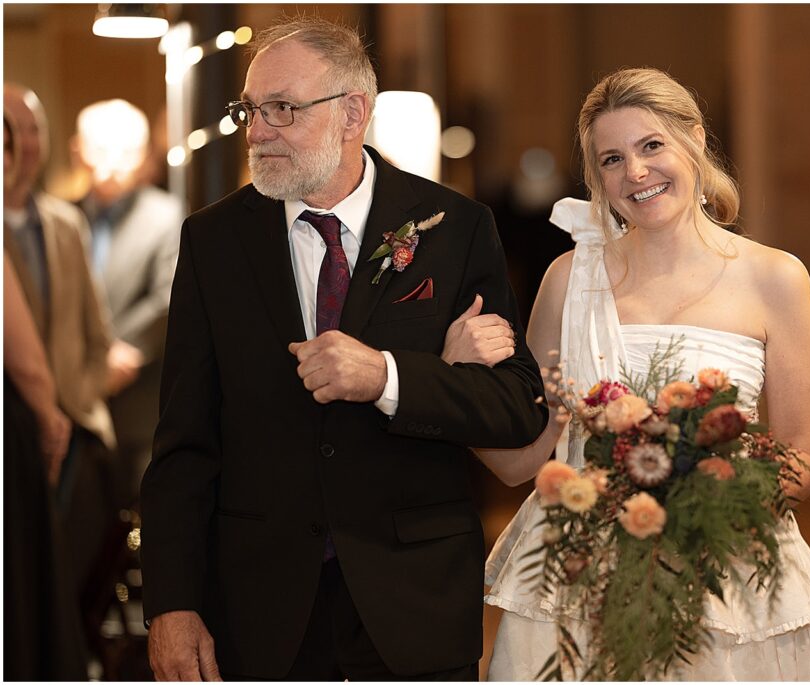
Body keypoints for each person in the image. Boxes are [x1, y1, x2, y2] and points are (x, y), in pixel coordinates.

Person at [140, 16, 547, 681]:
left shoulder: (453, 228)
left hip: (412, 600)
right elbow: (183, 444)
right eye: (250, 109)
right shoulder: (215, 241)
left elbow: (515, 411)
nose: (258, 130)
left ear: (353, 111)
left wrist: (386, 376)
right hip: (259, 610)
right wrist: (173, 603)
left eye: (283, 109)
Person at [475, 68, 810, 680]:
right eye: (612, 160)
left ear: (695, 139)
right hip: (579, 579)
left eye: (652, 146)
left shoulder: (776, 279)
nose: (636, 173)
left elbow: (800, 462)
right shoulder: (569, 281)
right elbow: (526, 459)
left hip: (728, 570)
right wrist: (459, 378)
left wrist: (694, 508)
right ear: (597, 179)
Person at [3, 83, 117, 592]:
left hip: (76, 420)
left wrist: (78, 397)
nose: (24, 143)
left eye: (33, 129)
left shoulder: (67, 224)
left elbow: (99, 337)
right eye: (11, 131)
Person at [75, 98, 183, 508]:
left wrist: (120, 351)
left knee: (141, 510)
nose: (112, 161)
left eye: (124, 150)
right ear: (77, 150)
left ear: (142, 156)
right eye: (101, 148)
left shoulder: (166, 215)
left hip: (139, 393)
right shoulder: (63, 218)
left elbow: (167, 295)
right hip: (77, 393)